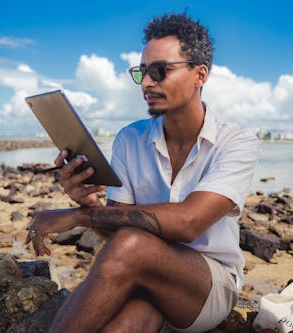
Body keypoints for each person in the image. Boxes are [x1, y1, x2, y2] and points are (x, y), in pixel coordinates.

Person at [25, 12, 258, 333]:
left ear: (200, 75)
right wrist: (90, 206)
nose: (148, 82)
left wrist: (78, 218)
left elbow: (189, 223)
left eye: (161, 71)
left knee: (132, 243)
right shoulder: (129, 139)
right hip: (144, 276)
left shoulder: (236, 141)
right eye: (143, 72)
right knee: (122, 326)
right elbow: (118, 229)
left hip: (207, 286)